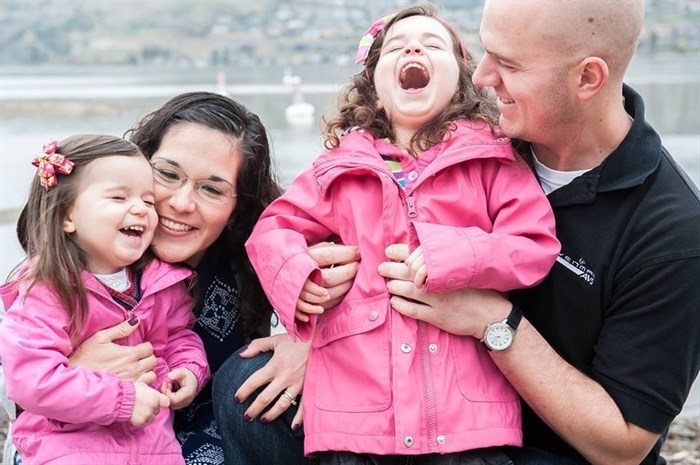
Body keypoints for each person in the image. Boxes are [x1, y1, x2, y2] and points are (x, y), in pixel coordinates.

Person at [376, 1, 700, 465]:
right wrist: (310, 341)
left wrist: (494, 322)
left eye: (508, 64)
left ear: (587, 78)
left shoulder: (673, 234)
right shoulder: (467, 141)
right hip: (421, 425)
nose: (483, 77)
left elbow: (623, 444)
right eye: (486, 53)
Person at [244, 3, 560, 463]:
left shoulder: (494, 161)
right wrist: (301, 275)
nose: (414, 47)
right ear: (372, 83)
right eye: (396, 46)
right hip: (353, 420)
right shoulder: (336, 168)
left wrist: (458, 253)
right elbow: (274, 230)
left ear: (464, 79)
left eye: (433, 45)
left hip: (466, 424)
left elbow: (533, 246)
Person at [1, 92, 358, 465]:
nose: (182, 203)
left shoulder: (263, 253)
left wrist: (316, 340)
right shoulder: (83, 258)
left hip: (190, 440)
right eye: (168, 174)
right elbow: (23, 374)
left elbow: (374, 272)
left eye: (212, 189)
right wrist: (76, 367)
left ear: (238, 207)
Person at [0, 135, 210, 465]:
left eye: (148, 200)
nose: (141, 208)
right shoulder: (47, 290)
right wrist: (123, 399)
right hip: (66, 447)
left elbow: (179, 337)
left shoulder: (160, 283)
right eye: (118, 197)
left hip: (155, 448)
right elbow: (31, 381)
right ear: (68, 216)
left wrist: (188, 369)